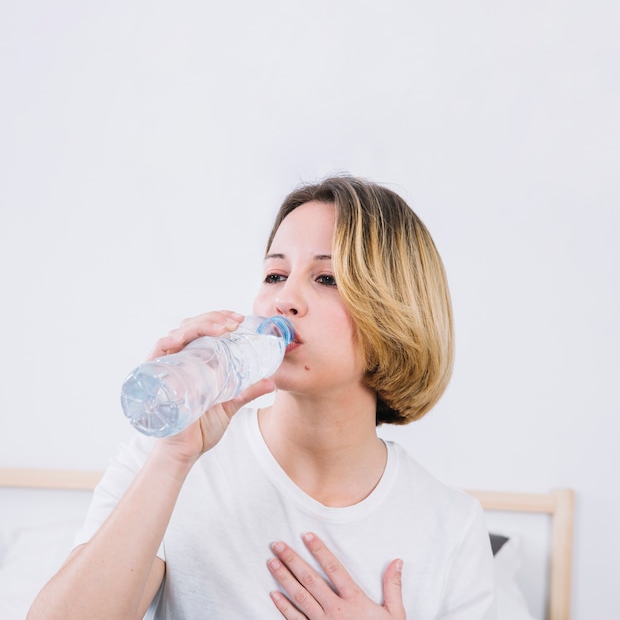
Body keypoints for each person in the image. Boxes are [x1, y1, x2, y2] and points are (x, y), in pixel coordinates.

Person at [28, 176, 496, 619]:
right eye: (275, 274)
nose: (283, 300)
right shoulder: (172, 464)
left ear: (395, 314)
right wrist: (172, 457)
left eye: (326, 279)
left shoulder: (450, 526)